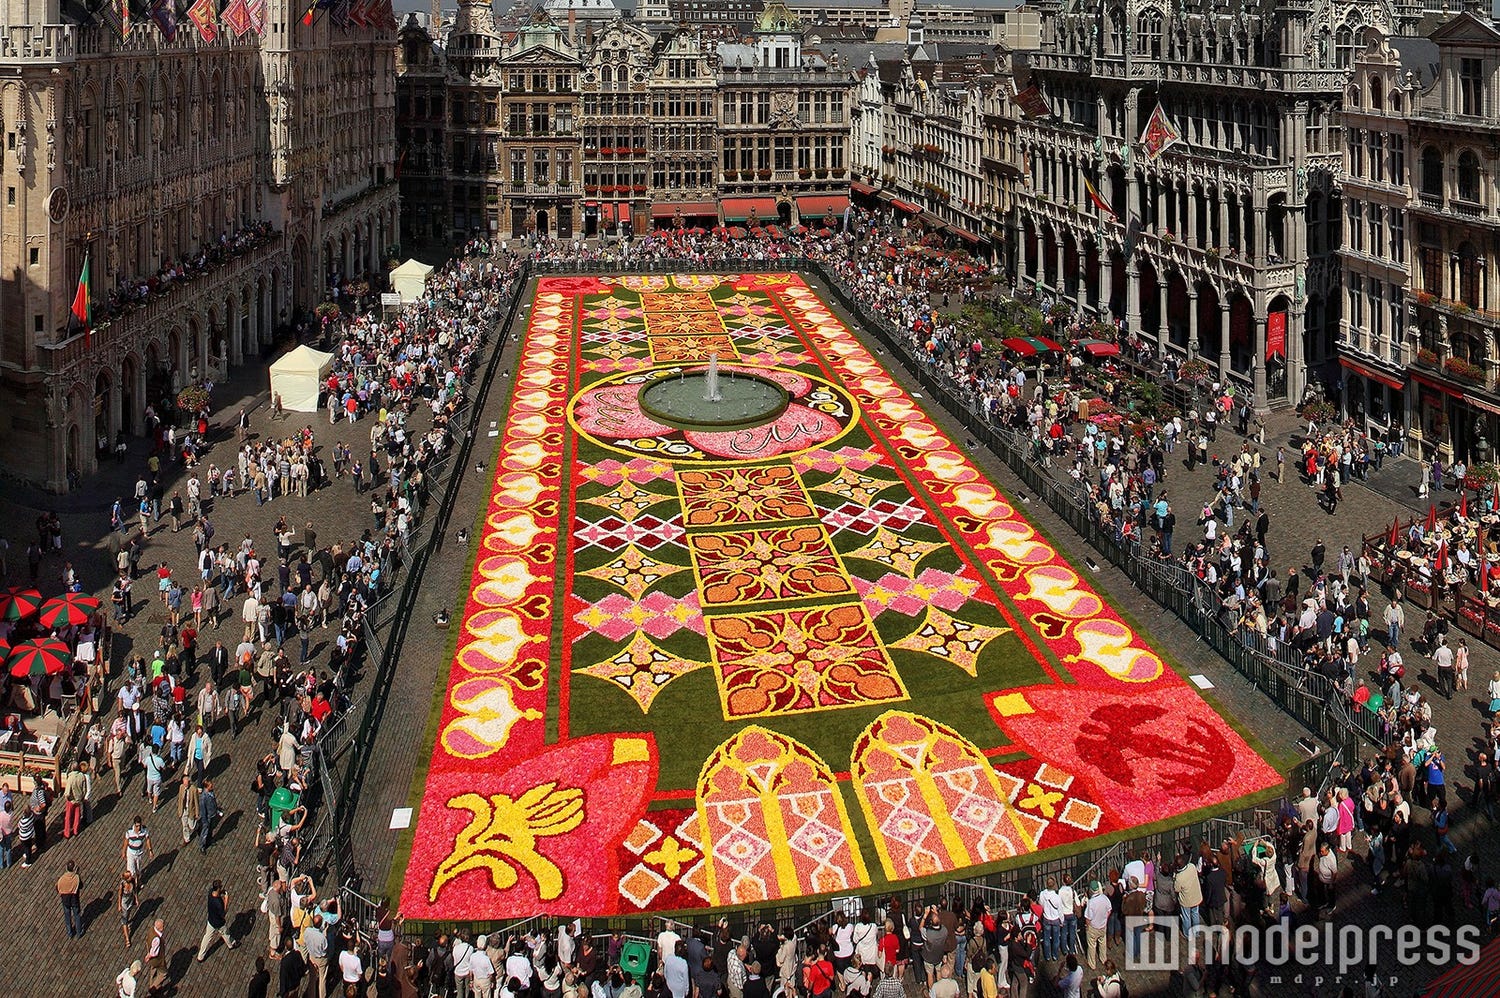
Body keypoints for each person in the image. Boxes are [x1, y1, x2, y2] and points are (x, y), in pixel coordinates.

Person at [196, 879, 237, 960]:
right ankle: (231, 944)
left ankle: (200, 956)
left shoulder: (210, 893)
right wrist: (226, 900)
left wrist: (221, 893)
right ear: (218, 888)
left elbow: (217, 894)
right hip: (219, 923)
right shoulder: (218, 903)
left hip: (211, 920)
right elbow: (223, 914)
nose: (222, 887)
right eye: (221, 887)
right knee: (225, 933)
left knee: (207, 937)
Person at [58, 859, 84, 938]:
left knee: (67, 916)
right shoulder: (76, 877)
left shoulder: (62, 879)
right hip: (74, 900)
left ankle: (69, 933)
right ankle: (79, 932)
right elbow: (81, 886)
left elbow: (57, 888)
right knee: (77, 915)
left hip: (65, 900)